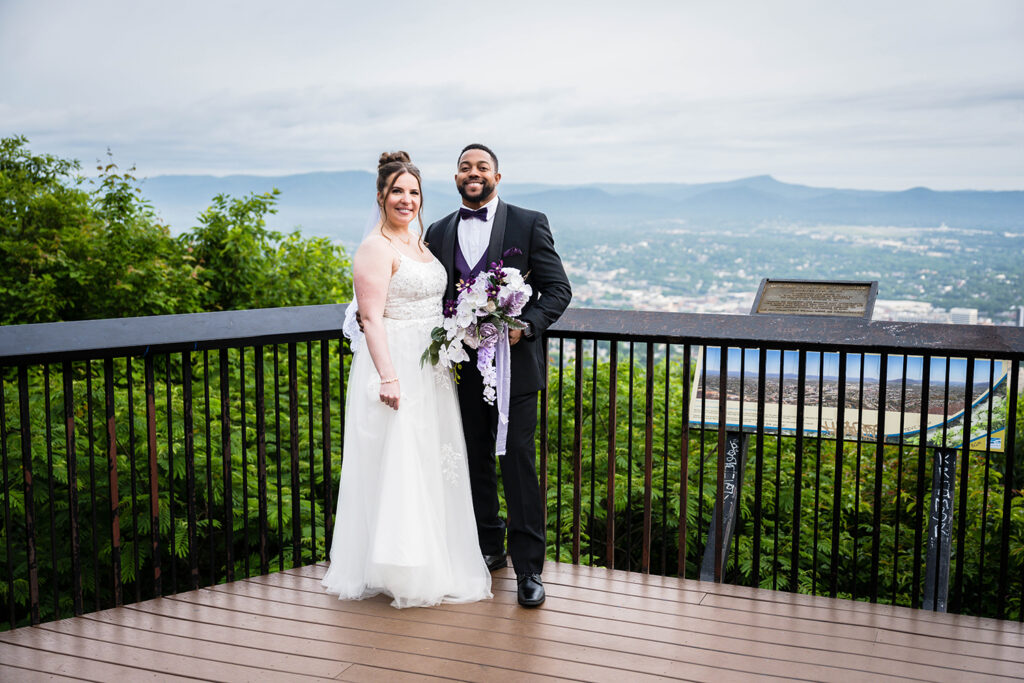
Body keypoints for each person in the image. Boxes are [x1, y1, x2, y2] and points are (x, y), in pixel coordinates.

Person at [321, 151, 492, 608]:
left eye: (414, 192)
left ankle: (435, 558)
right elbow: (371, 319)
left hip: (431, 367)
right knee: (400, 460)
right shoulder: (375, 247)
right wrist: (389, 377)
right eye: (397, 191)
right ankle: (400, 566)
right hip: (396, 363)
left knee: (430, 460)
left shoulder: (420, 243)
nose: (406, 199)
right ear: (380, 196)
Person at [425, 144, 572, 607]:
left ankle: (529, 568)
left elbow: (557, 289)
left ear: (497, 176)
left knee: (519, 463)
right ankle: (488, 548)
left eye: (482, 167)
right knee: (473, 461)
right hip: (463, 368)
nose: (474, 173)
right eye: (465, 167)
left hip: (515, 372)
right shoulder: (438, 230)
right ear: (455, 178)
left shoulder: (529, 222)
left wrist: (526, 326)